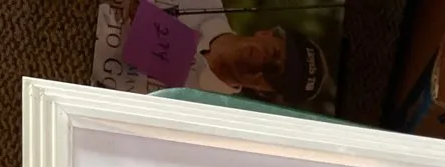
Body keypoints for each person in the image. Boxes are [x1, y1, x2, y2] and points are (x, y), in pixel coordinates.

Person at [122, 0, 332, 108]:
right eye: (274, 52)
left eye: (274, 73)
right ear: (266, 33)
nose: (264, 61)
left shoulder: (203, 111)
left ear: (263, 92)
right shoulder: (201, 3)